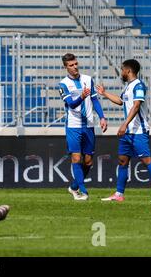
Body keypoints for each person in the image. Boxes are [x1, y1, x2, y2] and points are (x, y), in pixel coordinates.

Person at [96, 59, 151, 202]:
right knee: (122, 161)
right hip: (128, 132)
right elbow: (121, 101)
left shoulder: (138, 86)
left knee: (146, 160)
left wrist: (124, 124)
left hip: (138, 130)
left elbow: (136, 106)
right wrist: (105, 93)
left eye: (122, 69)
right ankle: (119, 194)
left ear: (128, 71)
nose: (121, 72)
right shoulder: (128, 87)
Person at [59, 53, 108, 201]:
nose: (74, 67)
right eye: (71, 65)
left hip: (89, 125)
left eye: (75, 64)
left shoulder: (88, 79)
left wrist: (102, 117)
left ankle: (74, 187)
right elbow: (71, 104)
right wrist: (81, 97)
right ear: (66, 67)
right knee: (76, 157)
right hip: (73, 126)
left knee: (88, 161)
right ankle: (83, 191)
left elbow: (95, 100)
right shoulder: (63, 84)